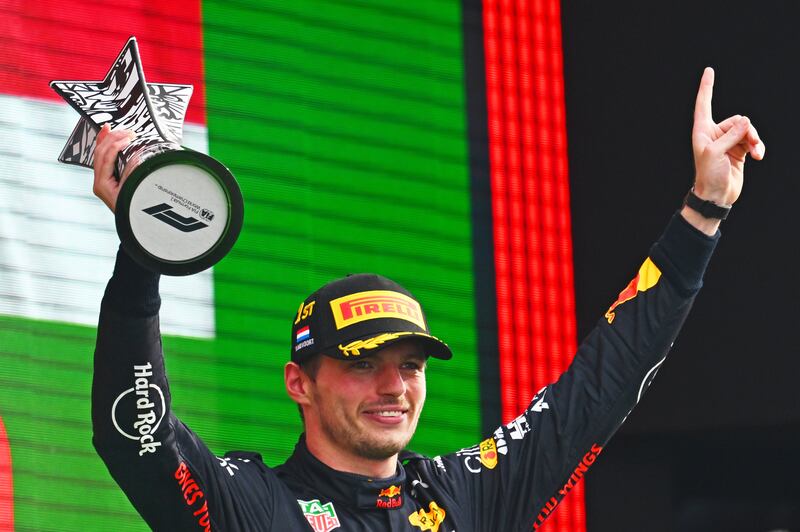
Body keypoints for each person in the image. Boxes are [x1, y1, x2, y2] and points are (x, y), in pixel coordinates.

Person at [90, 67, 763, 531]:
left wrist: (702, 213)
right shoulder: (253, 505)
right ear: (300, 382)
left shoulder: (467, 496)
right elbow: (137, 439)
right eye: (362, 363)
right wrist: (143, 250)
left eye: (411, 365)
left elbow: (601, 386)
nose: (393, 386)